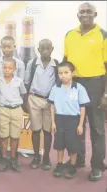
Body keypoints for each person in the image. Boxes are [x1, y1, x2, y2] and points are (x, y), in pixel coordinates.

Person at [63, 2, 107, 181]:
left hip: (96, 85)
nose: (85, 14)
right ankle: (78, 159)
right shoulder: (69, 35)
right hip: (75, 84)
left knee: (97, 128)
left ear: (95, 14)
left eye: (89, 11)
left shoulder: (102, 35)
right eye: (82, 11)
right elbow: (65, 62)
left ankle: (97, 165)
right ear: (77, 15)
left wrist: (106, 94)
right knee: (75, 125)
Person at [48, 62, 89, 179]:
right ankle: (59, 164)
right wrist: (53, 122)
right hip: (59, 119)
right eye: (60, 73)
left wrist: (81, 124)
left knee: (73, 145)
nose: (63, 76)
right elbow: (52, 106)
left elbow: (82, 108)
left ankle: (72, 166)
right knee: (59, 144)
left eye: (66, 72)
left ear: (73, 73)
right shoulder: (56, 87)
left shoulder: (79, 88)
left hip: (73, 120)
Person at [24, 39, 58, 170]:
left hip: (50, 101)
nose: (45, 51)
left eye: (48, 48)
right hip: (34, 99)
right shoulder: (32, 64)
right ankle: (36, 157)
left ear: (52, 49)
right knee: (36, 130)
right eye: (42, 48)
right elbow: (27, 82)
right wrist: (25, 101)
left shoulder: (56, 64)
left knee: (47, 131)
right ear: (38, 50)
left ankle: (46, 157)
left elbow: (58, 83)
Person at [0, 36, 25, 164]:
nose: (7, 49)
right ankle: (2, 155)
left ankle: (14, 158)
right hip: (2, 104)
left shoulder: (20, 64)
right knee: (2, 132)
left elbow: (21, 84)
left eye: (9, 46)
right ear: (0, 48)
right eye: (4, 46)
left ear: (14, 47)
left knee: (15, 134)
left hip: (15, 104)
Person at [0, 58, 27, 172]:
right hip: (3, 110)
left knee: (15, 136)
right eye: (4, 67)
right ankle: (4, 158)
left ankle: (13, 159)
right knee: (3, 136)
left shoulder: (19, 81)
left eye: (10, 68)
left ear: (14, 69)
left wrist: (18, 104)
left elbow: (23, 94)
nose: (7, 70)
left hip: (16, 110)